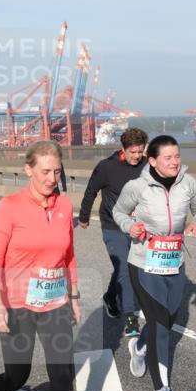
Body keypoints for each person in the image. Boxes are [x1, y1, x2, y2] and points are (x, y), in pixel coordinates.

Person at [0, 141, 83, 391]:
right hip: (18, 303)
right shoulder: (10, 207)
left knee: (62, 375)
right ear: (28, 170)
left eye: (57, 171)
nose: (52, 177)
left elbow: (68, 255)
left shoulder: (65, 206)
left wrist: (74, 295)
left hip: (54, 301)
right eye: (45, 171)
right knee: (18, 374)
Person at [112, 135, 196, 391]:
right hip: (143, 263)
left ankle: (141, 346)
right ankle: (162, 388)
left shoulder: (188, 183)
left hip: (173, 262)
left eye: (177, 156)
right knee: (160, 324)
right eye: (168, 158)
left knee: (168, 318)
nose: (175, 162)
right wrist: (129, 227)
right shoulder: (138, 187)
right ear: (152, 161)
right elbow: (118, 211)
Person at [78, 127, 148, 339]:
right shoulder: (107, 167)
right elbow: (91, 190)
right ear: (123, 149)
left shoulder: (147, 166)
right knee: (126, 271)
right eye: (132, 152)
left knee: (128, 269)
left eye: (140, 151)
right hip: (112, 226)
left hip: (138, 227)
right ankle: (130, 319)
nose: (137, 156)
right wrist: (83, 216)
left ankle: (110, 297)